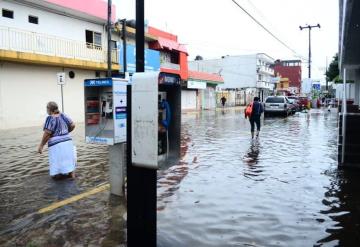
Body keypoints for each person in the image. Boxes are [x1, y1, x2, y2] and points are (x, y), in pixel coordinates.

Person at [38, 101, 76, 179]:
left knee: (57, 165)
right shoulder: (63, 115)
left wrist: (41, 145)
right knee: (69, 161)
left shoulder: (50, 118)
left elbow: (47, 134)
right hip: (68, 141)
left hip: (57, 145)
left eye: (47, 108)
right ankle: (72, 176)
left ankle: (59, 179)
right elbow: (73, 125)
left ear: (49, 109)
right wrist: (66, 132)